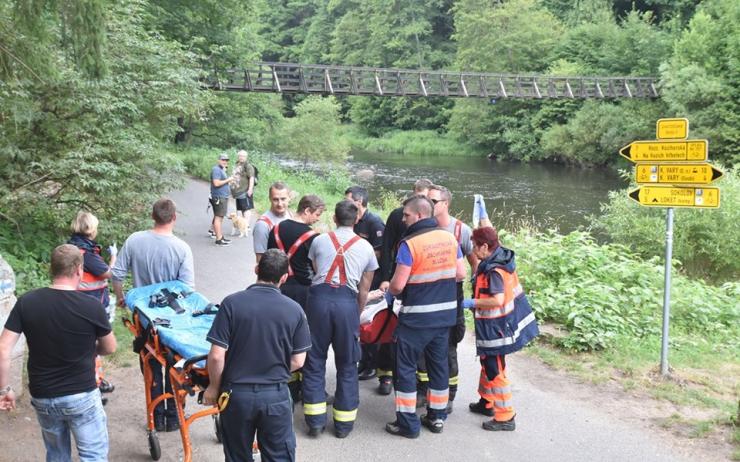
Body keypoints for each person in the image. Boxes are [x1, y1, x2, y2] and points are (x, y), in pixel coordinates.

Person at [0, 244, 117, 461]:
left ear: (51, 269)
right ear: (79, 270)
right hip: (81, 394)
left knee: (56, 455)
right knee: (93, 455)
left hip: (43, 396)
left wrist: (4, 389)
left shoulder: (27, 302)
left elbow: (3, 348)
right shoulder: (91, 306)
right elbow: (110, 347)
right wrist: (92, 351)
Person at [204, 249, 311, 462]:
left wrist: (213, 387)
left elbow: (216, 356)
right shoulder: (295, 310)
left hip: (236, 397)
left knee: (237, 456)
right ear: (284, 277)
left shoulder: (232, 304)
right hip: (275, 397)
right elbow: (299, 361)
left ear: (256, 270)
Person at [111, 198, 195, 432]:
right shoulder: (181, 248)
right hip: (173, 320)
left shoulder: (135, 240)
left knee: (150, 362)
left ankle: (156, 415)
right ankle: (174, 414)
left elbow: (116, 274)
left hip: (145, 318)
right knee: (174, 361)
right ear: (174, 218)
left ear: (152, 216)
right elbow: (187, 289)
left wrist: (122, 298)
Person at [385, 195, 465, 439]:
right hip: (444, 316)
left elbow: (398, 285)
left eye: (406, 214)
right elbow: (461, 273)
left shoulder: (409, 244)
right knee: (438, 365)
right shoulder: (450, 238)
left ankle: (408, 424)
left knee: (405, 368)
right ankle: (437, 417)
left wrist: (389, 292)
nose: (403, 218)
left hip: (416, 319)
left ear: (419, 215)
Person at [302, 200, 378, 439]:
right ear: (356, 221)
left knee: (314, 360)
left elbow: (315, 268)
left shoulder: (319, 240)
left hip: (318, 303)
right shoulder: (366, 247)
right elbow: (365, 289)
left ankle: (315, 422)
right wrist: (356, 312)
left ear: (334, 218)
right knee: (347, 364)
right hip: (348, 304)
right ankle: (343, 425)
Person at [463, 227, 539, 431]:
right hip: (500, 325)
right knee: (487, 362)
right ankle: (487, 402)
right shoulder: (500, 257)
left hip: (496, 327)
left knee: (495, 369)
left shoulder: (494, 270)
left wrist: (471, 302)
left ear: (485, 247)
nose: (473, 250)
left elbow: (496, 300)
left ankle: (506, 416)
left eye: (475, 246)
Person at [415, 184, 478, 413]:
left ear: (446, 204)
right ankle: (422, 390)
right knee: (422, 345)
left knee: (449, 346)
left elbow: (474, 263)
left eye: (433, 201)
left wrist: (476, 294)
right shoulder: (420, 227)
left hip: (452, 295)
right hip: (425, 294)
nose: (428, 204)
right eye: (425, 200)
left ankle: (449, 395)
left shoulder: (461, 231)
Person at [375, 178, 433, 395]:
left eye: (425, 195)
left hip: (418, 287)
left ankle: (420, 382)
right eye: (418, 193)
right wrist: (386, 278)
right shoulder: (399, 217)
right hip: (397, 278)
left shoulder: (433, 222)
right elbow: (389, 247)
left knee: (415, 340)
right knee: (389, 326)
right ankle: (385, 374)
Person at [266, 194, 325, 403]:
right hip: (301, 290)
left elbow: (268, 257)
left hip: (277, 286)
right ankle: (304, 382)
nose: (317, 218)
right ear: (306, 210)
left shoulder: (276, 229)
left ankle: (286, 384)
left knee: (281, 337)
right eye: (316, 214)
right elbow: (317, 268)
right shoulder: (313, 237)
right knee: (302, 337)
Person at [67, 211, 118, 398]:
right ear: (90, 229)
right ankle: (93, 384)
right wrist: (113, 258)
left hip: (77, 303)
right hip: (91, 305)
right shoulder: (86, 253)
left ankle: (96, 379)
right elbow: (107, 273)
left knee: (84, 345)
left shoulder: (71, 246)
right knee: (95, 345)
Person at [344, 186, 385, 381]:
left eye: (348, 200)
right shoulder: (353, 221)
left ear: (359, 202)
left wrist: (357, 253)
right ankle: (363, 362)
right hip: (356, 276)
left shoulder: (374, 222)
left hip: (373, 278)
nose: (346, 204)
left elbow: (380, 252)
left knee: (369, 321)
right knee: (358, 321)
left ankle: (372, 365)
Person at [254, 181, 293, 263]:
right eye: (275, 199)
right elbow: (260, 259)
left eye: (283, 199)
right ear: (270, 199)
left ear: (289, 197)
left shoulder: (291, 216)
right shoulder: (262, 225)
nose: (280, 204)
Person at [210, 153, 234, 246]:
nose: (225, 161)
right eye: (223, 160)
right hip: (219, 197)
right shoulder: (216, 169)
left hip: (223, 196)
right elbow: (216, 183)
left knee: (220, 218)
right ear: (219, 160)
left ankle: (220, 237)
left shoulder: (221, 169)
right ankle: (218, 239)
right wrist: (228, 180)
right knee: (218, 218)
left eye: (226, 160)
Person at [230, 150, 256, 228]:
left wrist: (250, 189)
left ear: (246, 157)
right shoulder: (237, 164)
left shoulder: (248, 166)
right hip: (237, 192)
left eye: (243, 156)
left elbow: (251, 177)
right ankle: (242, 225)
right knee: (241, 209)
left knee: (246, 209)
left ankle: (246, 226)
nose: (241, 157)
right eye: (240, 156)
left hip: (244, 191)